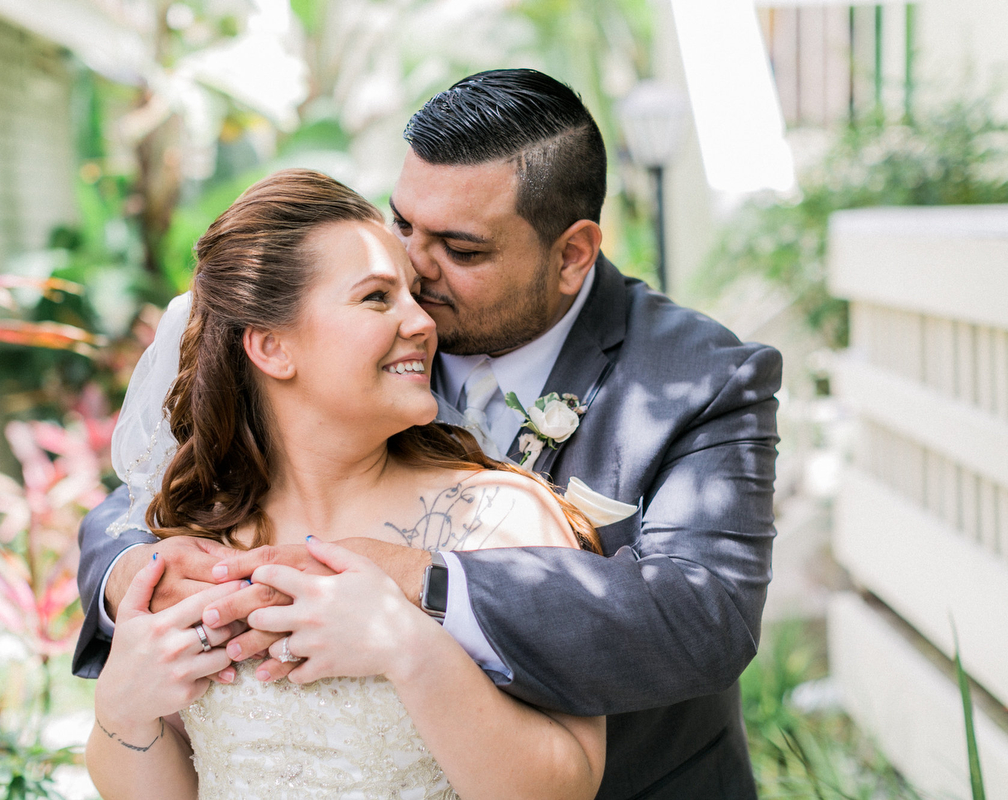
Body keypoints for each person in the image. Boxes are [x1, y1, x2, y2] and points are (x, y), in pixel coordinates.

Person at [76, 68, 781, 800]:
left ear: (572, 254)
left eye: (462, 249)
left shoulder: (694, 381)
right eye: (404, 225)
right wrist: (137, 581)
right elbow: (138, 503)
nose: (414, 268)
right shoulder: (359, 354)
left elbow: (704, 618)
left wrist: (415, 581)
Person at [84, 169, 607, 799]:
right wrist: (121, 711)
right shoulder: (196, 552)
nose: (423, 323)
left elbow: (569, 788)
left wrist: (407, 646)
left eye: (413, 295)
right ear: (273, 347)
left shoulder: (501, 518)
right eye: (378, 298)